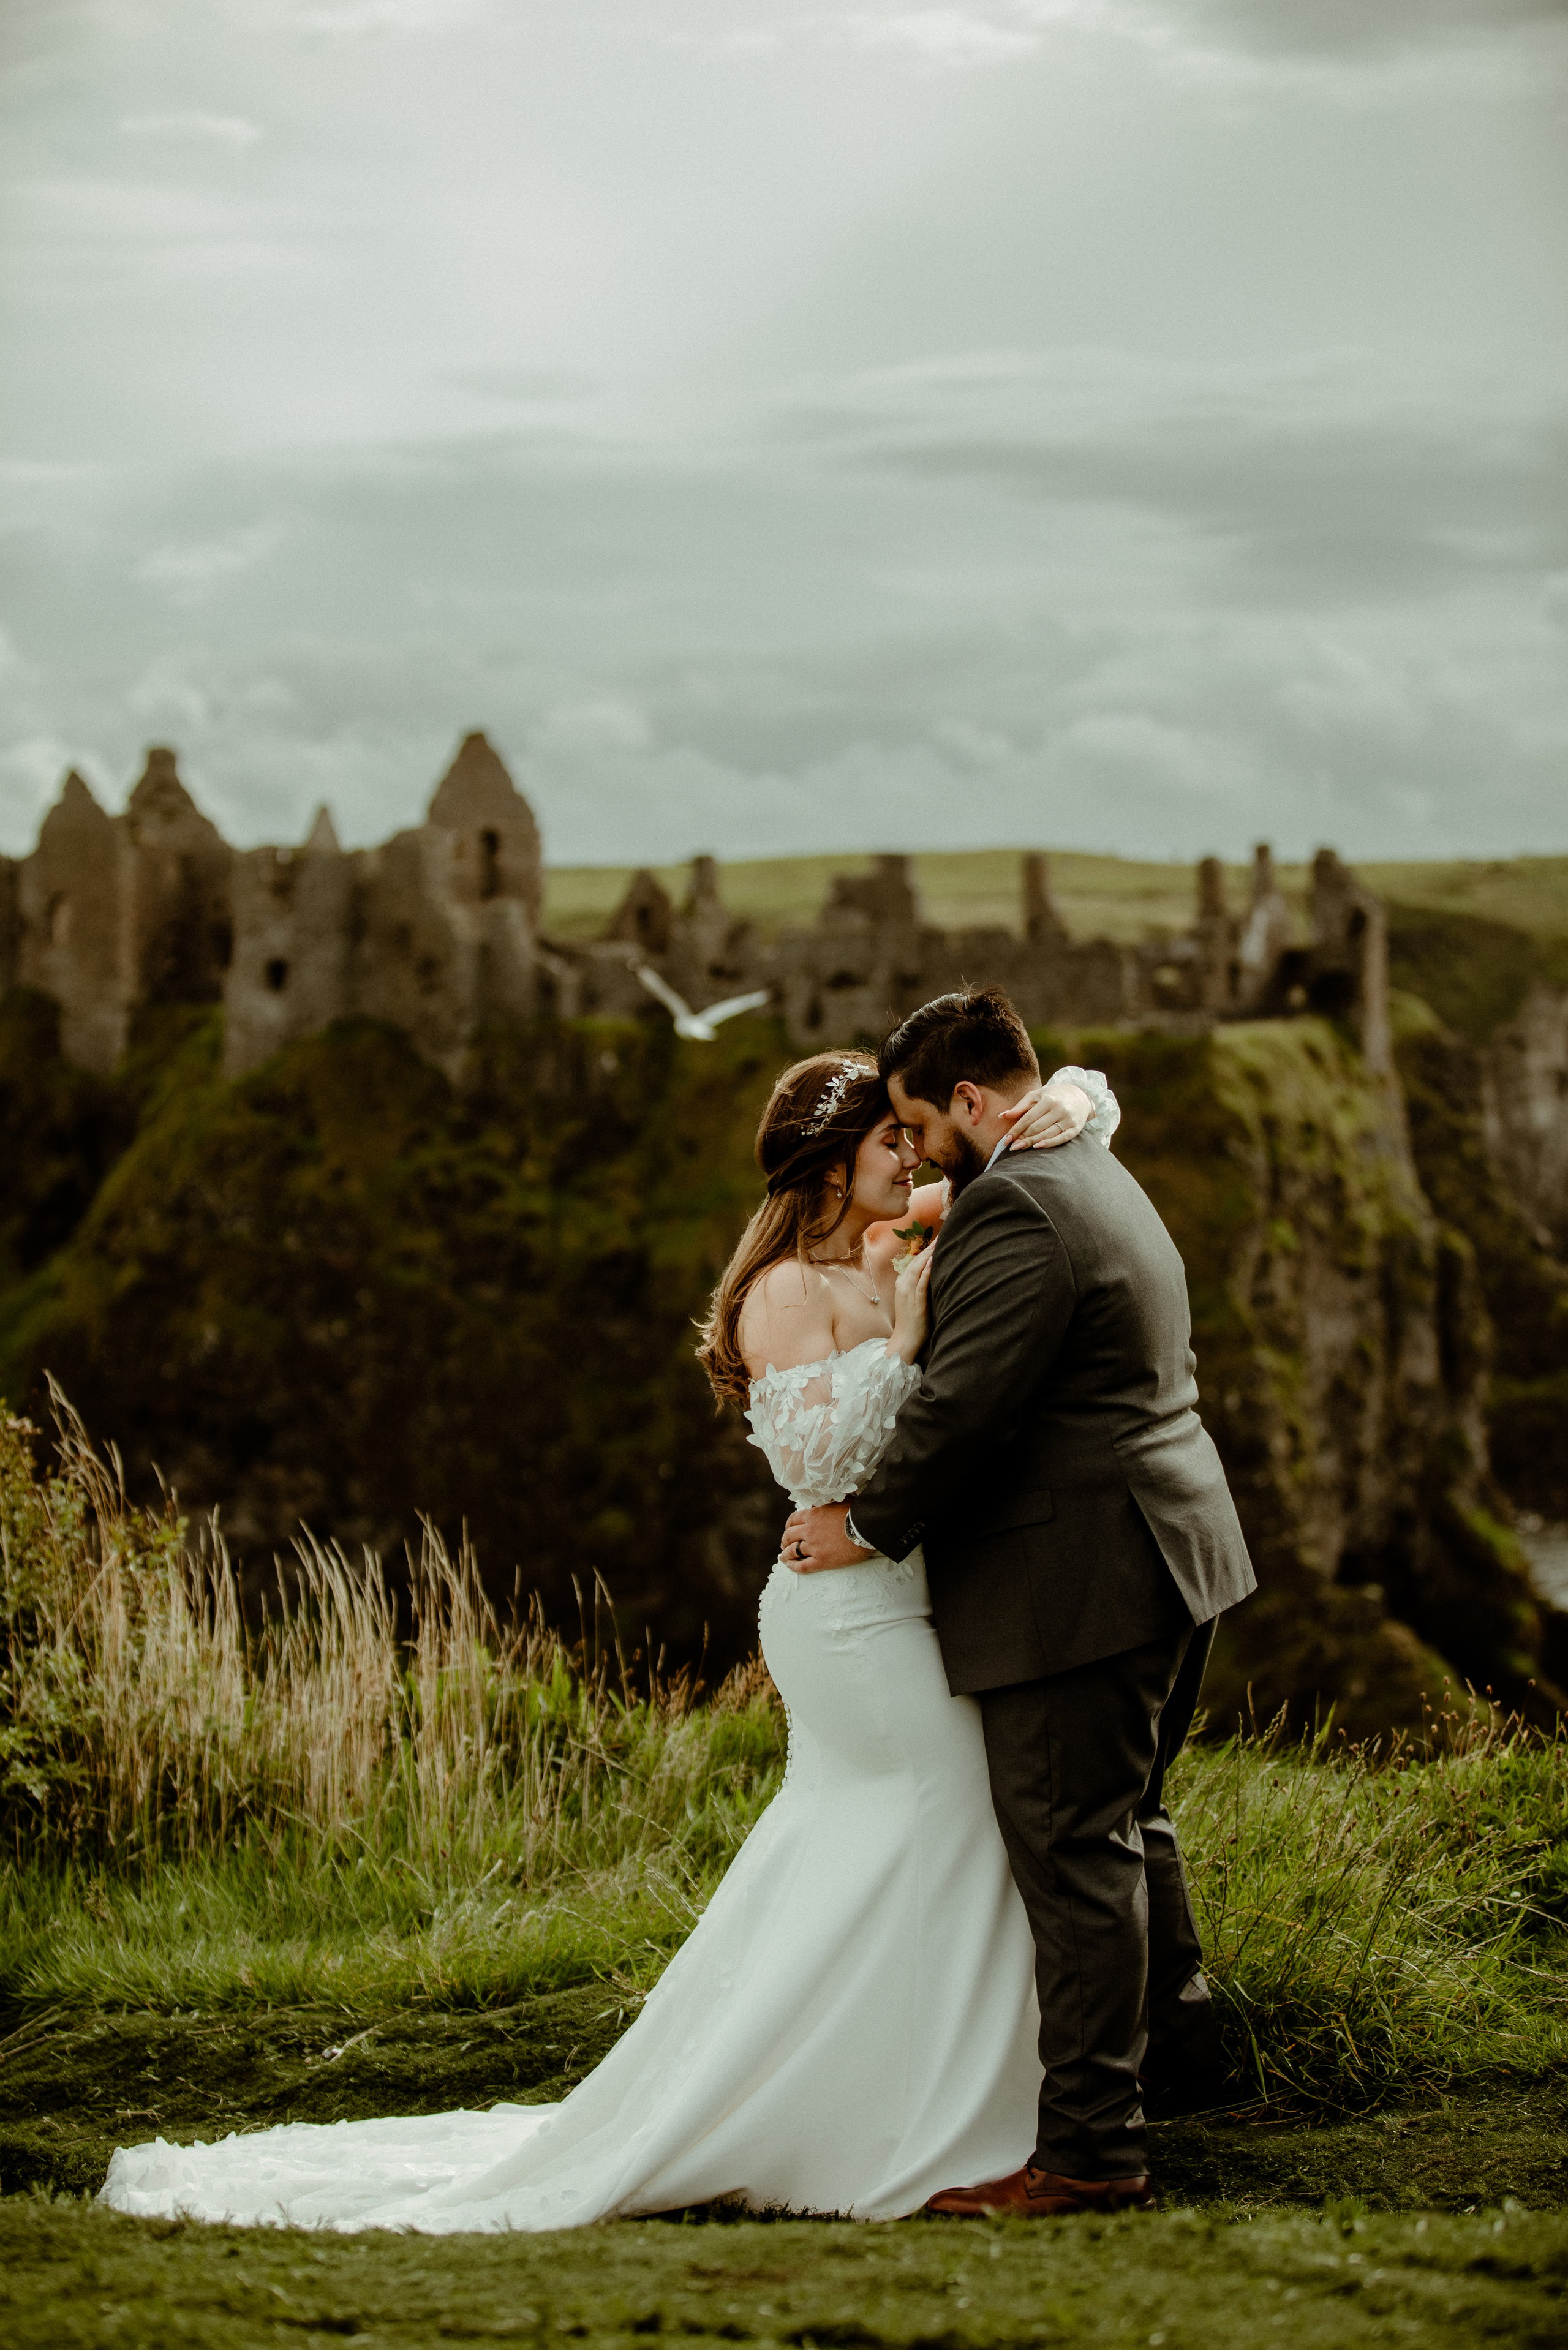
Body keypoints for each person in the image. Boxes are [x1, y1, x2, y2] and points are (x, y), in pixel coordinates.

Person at [99, 1050, 1109, 2231]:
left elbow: (1061, 1120)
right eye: (890, 1142)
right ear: (832, 1170)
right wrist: (907, 1337)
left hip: (899, 1592)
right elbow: (815, 1470)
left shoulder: (881, 1243)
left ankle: (902, 2096)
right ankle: (910, 2113)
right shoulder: (786, 1290)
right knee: (945, 1811)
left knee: (899, 1836)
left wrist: (1079, 1096)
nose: (915, 1153)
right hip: (848, 1611)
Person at [785, 985, 1255, 2217]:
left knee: (1070, 1846)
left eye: (918, 1124)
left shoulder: (1020, 1209)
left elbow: (961, 1408)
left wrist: (865, 1521)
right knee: (1128, 1817)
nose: (916, 1151)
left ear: (969, 1101)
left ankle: (1091, 2153)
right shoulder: (1085, 1163)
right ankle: (1182, 2069)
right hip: (1172, 1538)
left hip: (1082, 1572)